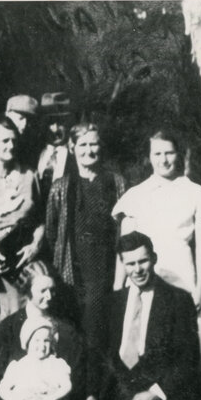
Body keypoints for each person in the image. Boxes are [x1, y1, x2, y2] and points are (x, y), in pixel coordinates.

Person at [82, 232, 201, 400]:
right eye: (130, 263)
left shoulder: (178, 300)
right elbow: (98, 354)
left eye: (142, 261)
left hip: (156, 394)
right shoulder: (112, 303)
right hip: (120, 392)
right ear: (123, 265)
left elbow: (188, 359)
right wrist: (92, 394)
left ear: (154, 259)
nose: (137, 269)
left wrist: (155, 394)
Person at [0, 261, 85, 400]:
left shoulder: (66, 330)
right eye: (42, 291)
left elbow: (75, 378)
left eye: (52, 290)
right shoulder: (7, 328)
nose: (49, 297)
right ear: (27, 291)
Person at [44, 121, 126, 355]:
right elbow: (52, 233)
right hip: (72, 272)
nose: (89, 150)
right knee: (72, 332)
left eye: (94, 144)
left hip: (106, 270)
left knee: (101, 334)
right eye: (83, 145)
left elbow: (124, 227)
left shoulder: (116, 182)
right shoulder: (61, 187)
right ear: (72, 147)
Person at [112, 129, 201, 310]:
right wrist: (118, 288)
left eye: (169, 153)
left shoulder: (196, 193)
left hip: (180, 271)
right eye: (157, 154)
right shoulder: (135, 195)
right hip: (142, 273)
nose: (163, 160)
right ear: (149, 156)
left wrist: (200, 290)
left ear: (179, 154)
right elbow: (125, 246)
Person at [0, 115, 44, 341]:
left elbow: (40, 219)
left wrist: (35, 245)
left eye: (13, 141)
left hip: (24, 267)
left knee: (27, 327)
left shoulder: (28, 175)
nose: (11, 146)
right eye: (4, 141)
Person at [36, 92, 77, 194]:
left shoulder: (76, 155)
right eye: (50, 122)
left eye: (60, 122)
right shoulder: (34, 154)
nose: (55, 129)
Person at [4, 94, 39, 170]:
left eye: (28, 121)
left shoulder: (30, 145)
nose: (25, 125)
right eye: (21, 118)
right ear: (7, 114)